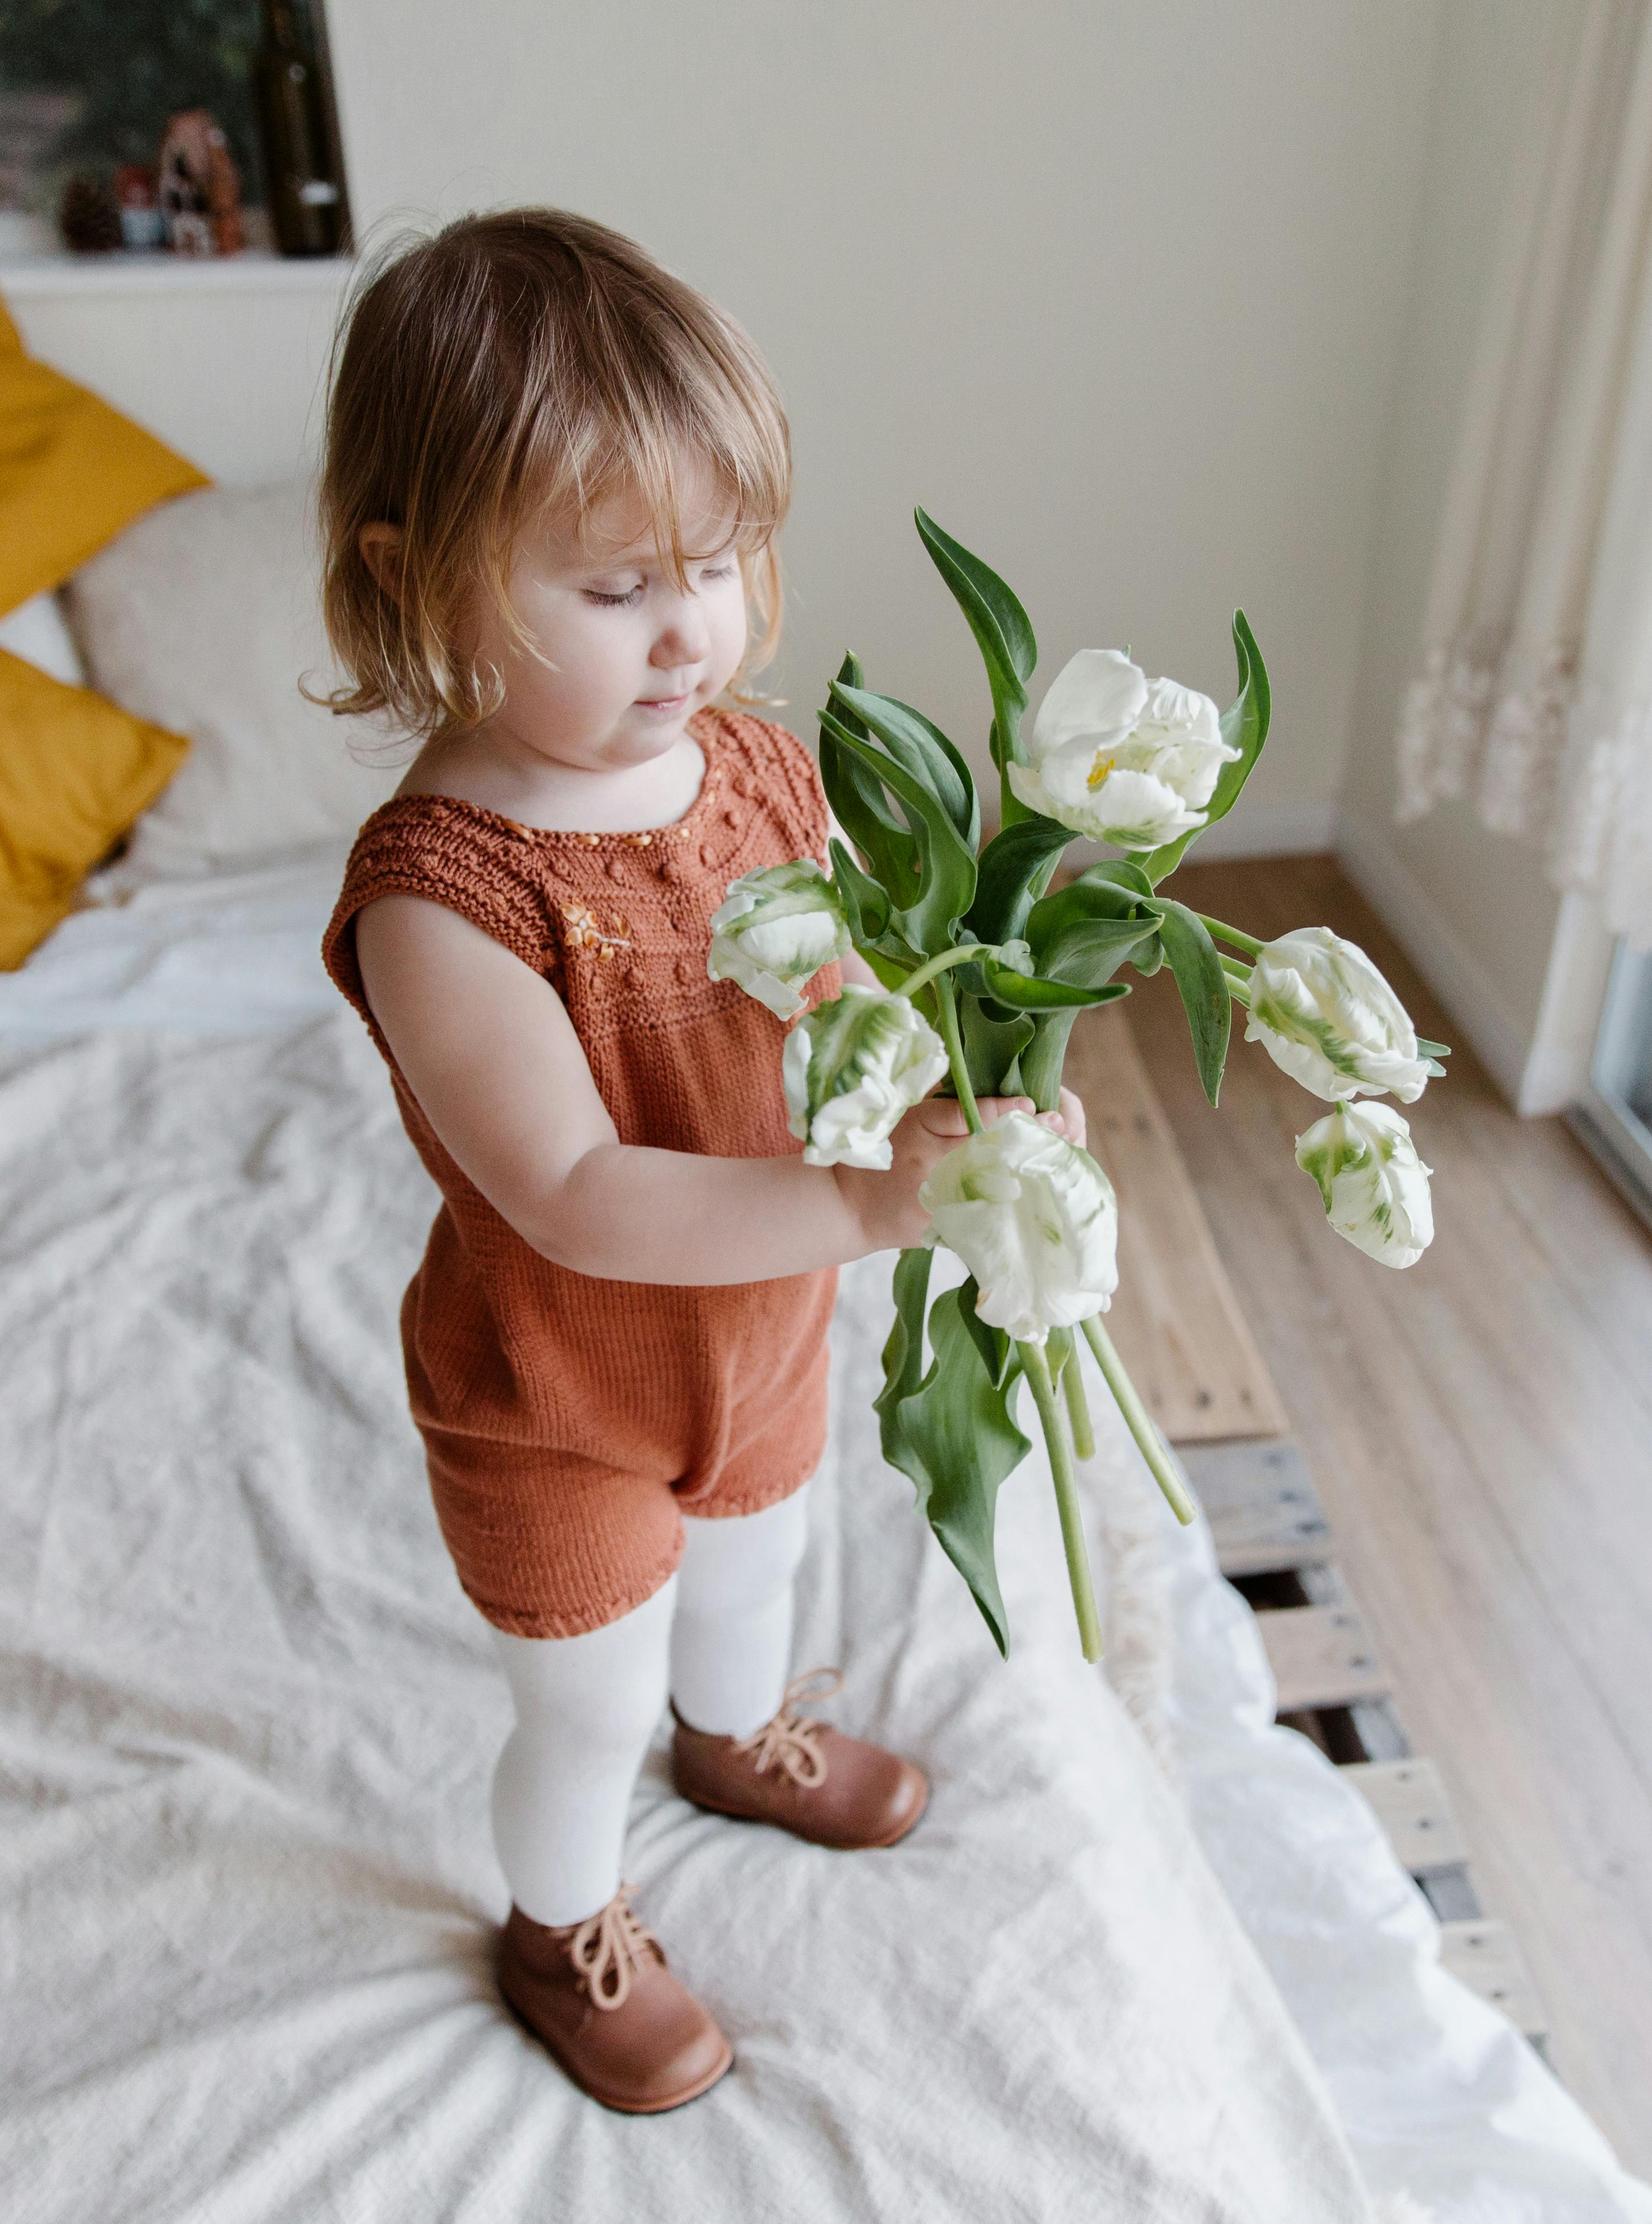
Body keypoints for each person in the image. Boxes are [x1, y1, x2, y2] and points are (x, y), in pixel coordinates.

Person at [316, 209, 1078, 2115]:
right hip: (558, 1392)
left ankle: (737, 1733)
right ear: (418, 582)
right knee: (582, 1705)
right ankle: (560, 1915)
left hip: (760, 1334)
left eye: (723, 560)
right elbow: (570, 1190)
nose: (694, 629)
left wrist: (955, 1098)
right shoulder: (449, 894)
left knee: (756, 1579)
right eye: (611, 589)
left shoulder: (754, 768)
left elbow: (838, 991)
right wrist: (870, 1205)